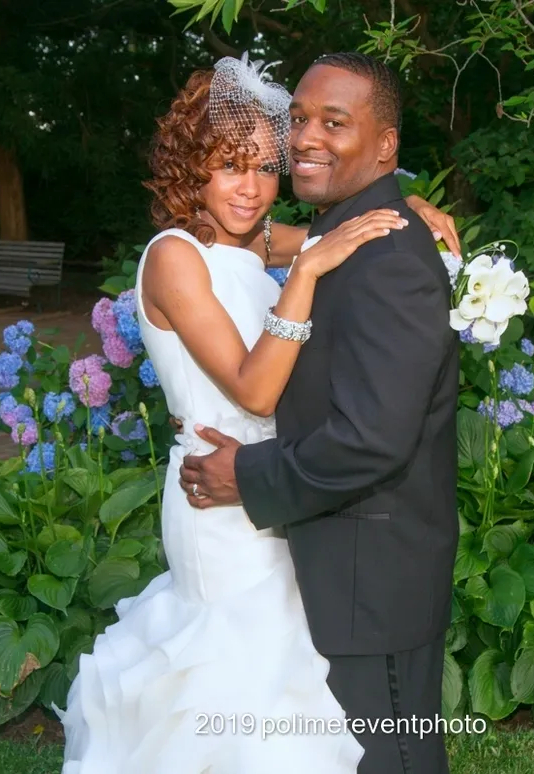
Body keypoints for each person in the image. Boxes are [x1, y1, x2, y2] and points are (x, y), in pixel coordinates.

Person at [56, 53, 458, 774]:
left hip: (281, 494)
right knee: (235, 678)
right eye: (227, 165)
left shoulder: (247, 240)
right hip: (221, 493)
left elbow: (318, 234)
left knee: (290, 688)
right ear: (192, 168)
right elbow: (254, 390)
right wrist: (304, 275)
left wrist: (397, 206)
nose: (249, 186)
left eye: (264, 166)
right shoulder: (176, 258)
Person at [179, 52, 460, 774]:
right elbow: (245, 239)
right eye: (298, 118)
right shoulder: (350, 233)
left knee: (389, 757)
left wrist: (247, 473)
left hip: (375, 576)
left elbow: (371, 440)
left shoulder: (386, 258)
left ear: (384, 144)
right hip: (342, 559)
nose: (304, 136)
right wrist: (393, 201)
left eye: (334, 122)